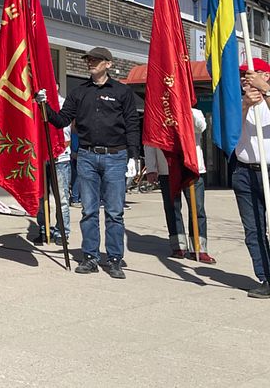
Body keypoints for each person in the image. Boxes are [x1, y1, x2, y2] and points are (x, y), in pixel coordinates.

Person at [39, 47, 140, 279]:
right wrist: (44, 106)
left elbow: (133, 124)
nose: (91, 63)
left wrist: (134, 156)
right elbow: (62, 120)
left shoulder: (122, 92)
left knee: (114, 211)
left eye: (96, 60)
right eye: (89, 60)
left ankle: (114, 259)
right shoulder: (79, 92)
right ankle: (90, 257)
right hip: (86, 156)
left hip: (116, 156)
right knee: (89, 210)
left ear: (108, 64)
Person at [143, 107, 214, 263]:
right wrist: (151, 168)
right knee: (172, 208)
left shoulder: (194, 111)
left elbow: (201, 127)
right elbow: (150, 141)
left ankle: (199, 248)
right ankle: (178, 246)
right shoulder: (158, 111)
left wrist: (185, 109)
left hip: (192, 168)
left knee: (198, 208)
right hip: (167, 168)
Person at [234, 59, 270, 299]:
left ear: (266, 75)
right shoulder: (236, 103)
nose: (247, 79)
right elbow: (228, 131)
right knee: (254, 229)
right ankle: (266, 277)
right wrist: (244, 105)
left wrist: (266, 92)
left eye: (253, 74)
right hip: (245, 172)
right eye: (243, 76)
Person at [33, 95, 71, 245]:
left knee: (61, 198)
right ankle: (44, 229)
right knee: (41, 197)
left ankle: (62, 232)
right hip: (41, 157)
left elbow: (65, 132)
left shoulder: (63, 104)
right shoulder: (35, 104)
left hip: (60, 158)